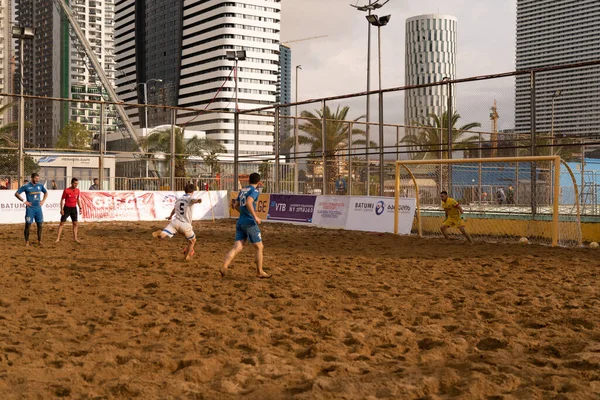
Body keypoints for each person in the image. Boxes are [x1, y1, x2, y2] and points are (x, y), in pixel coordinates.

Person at [221, 172, 270, 278]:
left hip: (240, 222)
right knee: (259, 247)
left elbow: (236, 205)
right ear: (259, 182)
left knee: (237, 247)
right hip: (249, 222)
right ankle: (259, 271)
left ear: (248, 180)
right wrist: (255, 217)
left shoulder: (243, 190)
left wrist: (243, 213)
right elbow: (248, 202)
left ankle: (225, 265)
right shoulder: (254, 191)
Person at [152, 183, 202, 260]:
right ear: (193, 191)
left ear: (185, 191)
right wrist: (198, 200)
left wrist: (170, 216)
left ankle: (160, 233)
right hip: (185, 225)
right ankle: (186, 256)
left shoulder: (179, 199)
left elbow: (174, 209)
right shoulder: (190, 198)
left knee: (162, 236)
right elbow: (193, 200)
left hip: (175, 222)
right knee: (192, 241)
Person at [14, 173, 48, 246]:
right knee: (28, 225)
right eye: (35, 178)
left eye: (38, 178)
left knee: (40, 225)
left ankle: (39, 241)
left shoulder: (40, 186)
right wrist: (24, 201)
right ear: (31, 178)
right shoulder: (26, 186)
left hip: (38, 209)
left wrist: (43, 200)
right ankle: (27, 242)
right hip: (30, 209)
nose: (37, 180)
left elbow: (46, 193)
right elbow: (17, 194)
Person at [55, 178, 83, 243]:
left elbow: (78, 199)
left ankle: (75, 238)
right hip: (67, 208)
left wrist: (80, 207)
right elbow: (62, 199)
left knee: (75, 223)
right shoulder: (66, 190)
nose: (76, 185)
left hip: (74, 208)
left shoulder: (77, 191)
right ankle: (58, 238)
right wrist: (61, 209)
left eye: (77, 183)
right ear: (72, 183)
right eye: (75, 183)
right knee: (62, 223)